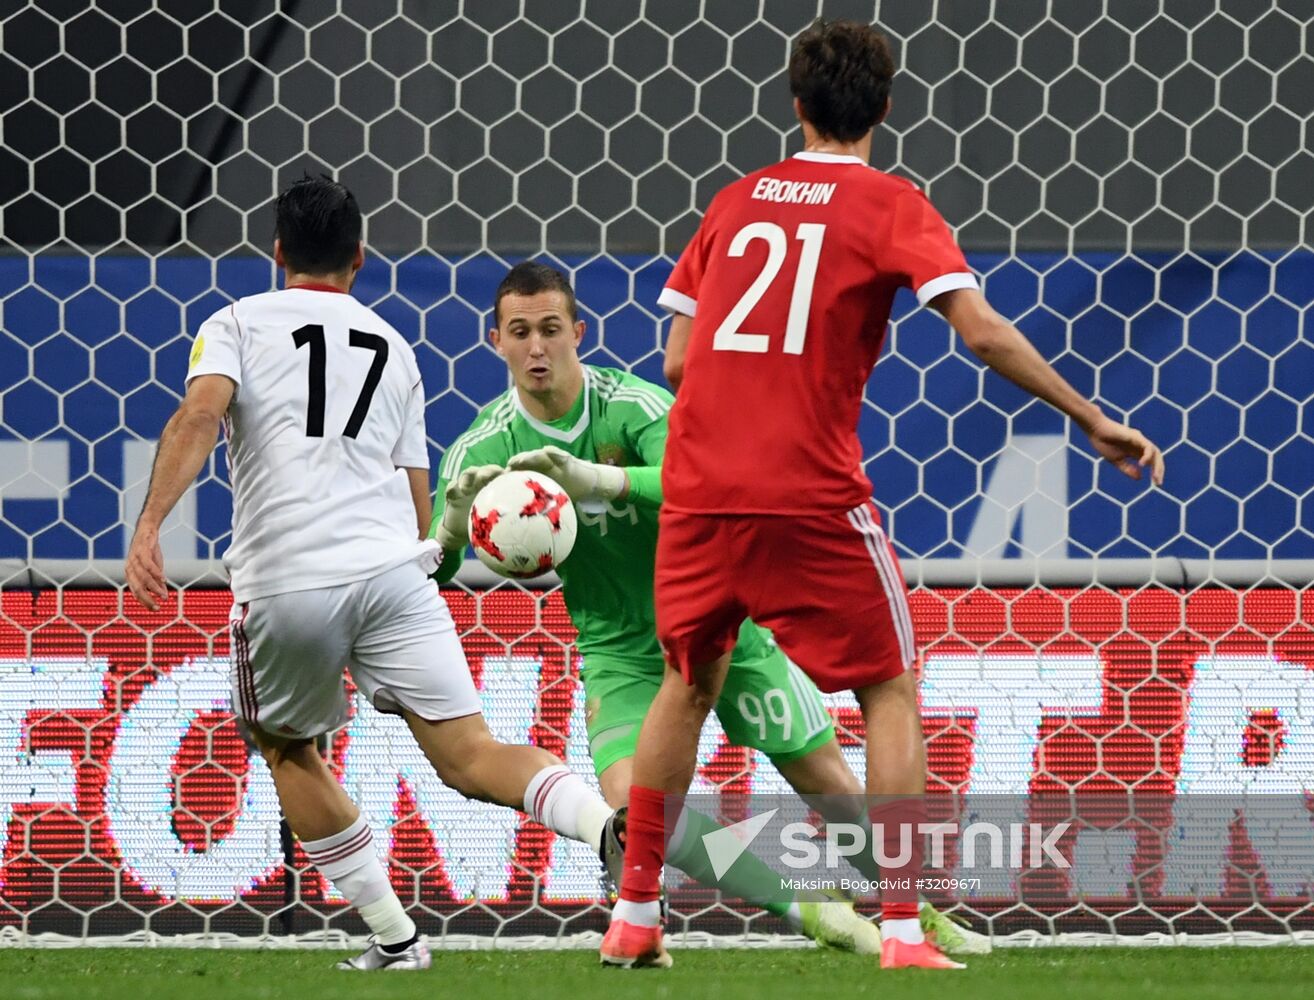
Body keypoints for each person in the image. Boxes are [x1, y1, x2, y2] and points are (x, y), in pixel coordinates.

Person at [605, 19, 1166, 971]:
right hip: (805, 490)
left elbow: (676, 361)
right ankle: (903, 928)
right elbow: (980, 330)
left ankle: (634, 914)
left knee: (685, 685)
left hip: (699, 490)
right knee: (889, 689)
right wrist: (1089, 416)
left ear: (795, 104)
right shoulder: (889, 203)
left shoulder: (735, 202)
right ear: (887, 108)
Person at [428, 261, 989, 958]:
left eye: (550, 328)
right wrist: (450, 528)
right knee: (639, 815)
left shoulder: (634, 407)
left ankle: (918, 914)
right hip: (618, 651)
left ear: (579, 331)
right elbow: (435, 571)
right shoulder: (483, 447)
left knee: (830, 788)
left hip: (719, 623)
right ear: (495, 341)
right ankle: (811, 910)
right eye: (520, 333)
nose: (536, 347)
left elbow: (697, 480)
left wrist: (596, 478)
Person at [124, 177, 615, 972]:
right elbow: (417, 493)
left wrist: (150, 523)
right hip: (394, 574)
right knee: (471, 755)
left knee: (286, 747)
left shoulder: (236, 322)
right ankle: (602, 826)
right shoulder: (393, 346)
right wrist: (417, 579)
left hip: (289, 579)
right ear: (359, 258)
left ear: (277, 253)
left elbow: (200, 416)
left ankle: (396, 937)